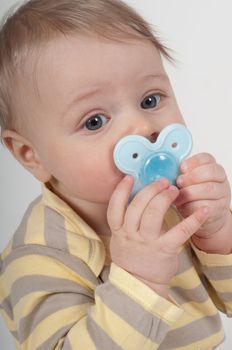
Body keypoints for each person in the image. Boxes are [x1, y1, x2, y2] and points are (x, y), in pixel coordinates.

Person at [0, 0, 231, 349]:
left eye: (150, 100)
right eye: (94, 121)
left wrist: (217, 232)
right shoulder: (40, 255)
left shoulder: (174, 199)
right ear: (30, 155)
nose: (141, 127)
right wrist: (139, 280)